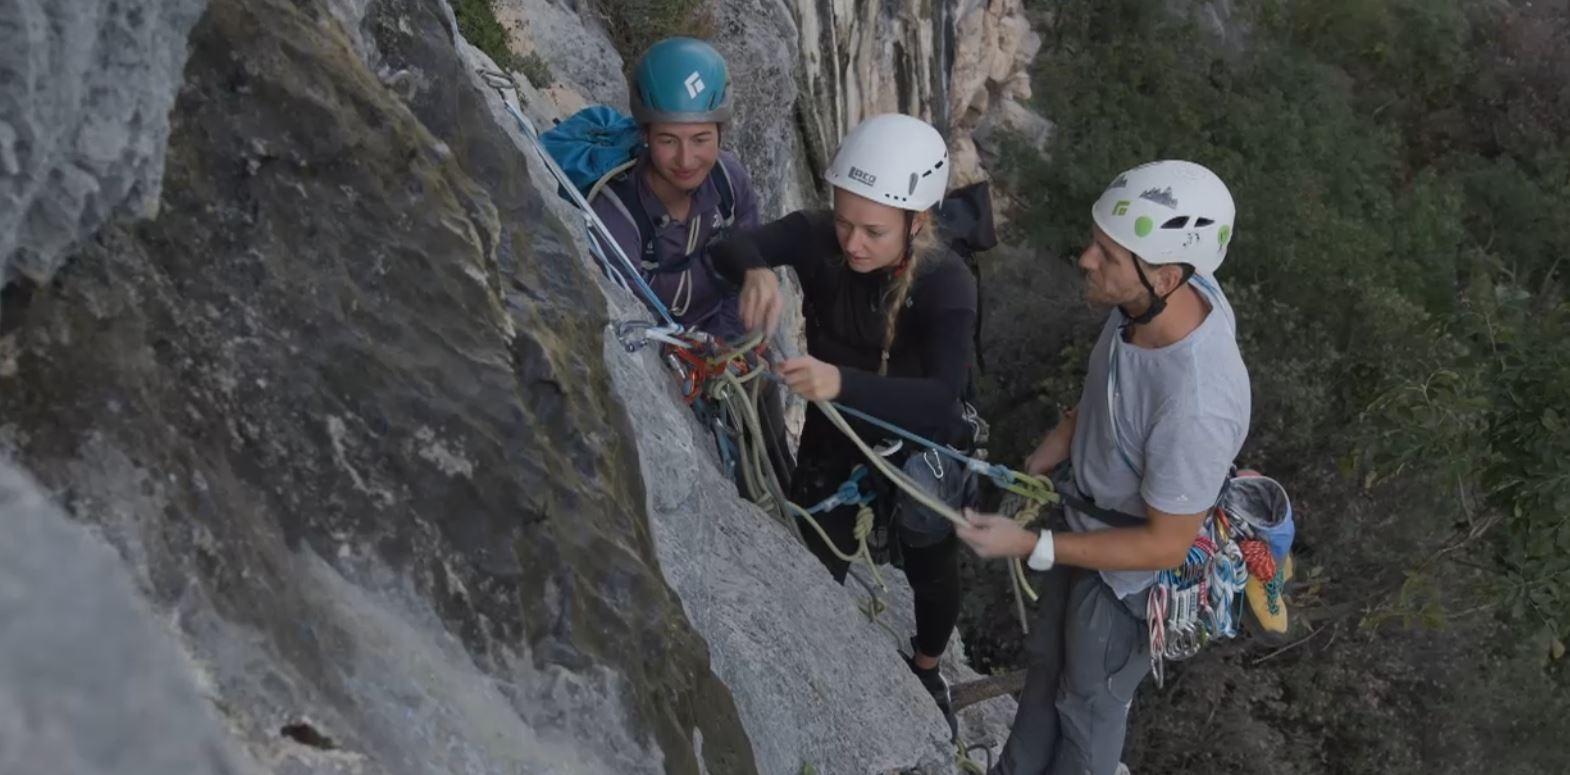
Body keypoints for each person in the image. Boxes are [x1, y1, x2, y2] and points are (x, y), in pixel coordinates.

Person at [955, 160, 1252, 775]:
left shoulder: (1197, 401)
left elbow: (1166, 544)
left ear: (1166, 275)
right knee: (1044, 675)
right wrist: (1061, 439)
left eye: (1107, 254)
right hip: (1083, 521)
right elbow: (1116, 386)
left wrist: (1036, 544)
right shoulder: (1151, 305)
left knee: (1088, 708)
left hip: (1125, 584)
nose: (1087, 259)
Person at [710, 113, 982, 732]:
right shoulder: (818, 240)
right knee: (816, 546)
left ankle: (926, 667)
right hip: (837, 426)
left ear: (918, 224)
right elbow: (732, 244)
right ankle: (807, 658)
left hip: (919, 438)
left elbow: (941, 400)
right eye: (844, 221)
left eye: (874, 231)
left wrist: (840, 383)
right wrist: (755, 269)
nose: (853, 242)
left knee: (928, 559)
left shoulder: (946, 284)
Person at [589, 36, 759, 339]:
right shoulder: (617, 217)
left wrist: (723, 344)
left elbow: (750, 266)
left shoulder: (729, 181)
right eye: (667, 140)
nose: (685, 159)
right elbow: (629, 320)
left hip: (722, 338)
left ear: (721, 134)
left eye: (701, 139)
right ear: (645, 135)